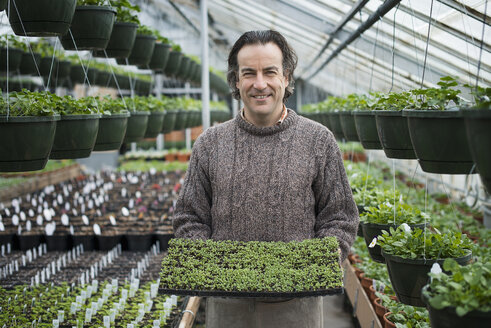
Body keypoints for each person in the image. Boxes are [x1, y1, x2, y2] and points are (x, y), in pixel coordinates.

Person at [173, 30, 359, 328]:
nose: (260, 84)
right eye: (249, 73)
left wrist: (314, 265)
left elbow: (340, 217)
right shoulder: (210, 144)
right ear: (236, 81)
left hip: (297, 308)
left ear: (286, 77)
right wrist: (217, 266)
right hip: (227, 307)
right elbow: (188, 216)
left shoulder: (318, 140)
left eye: (269, 72)